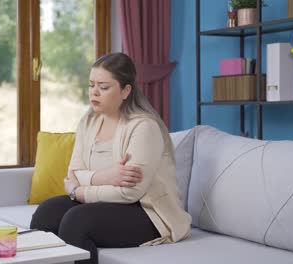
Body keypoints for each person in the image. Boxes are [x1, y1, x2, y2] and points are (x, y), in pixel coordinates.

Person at [30, 52, 191, 264]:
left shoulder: (144, 127)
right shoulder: (88, 121)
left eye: (104, 87)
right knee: (46, 212)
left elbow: (129, 192)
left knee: (77, 221)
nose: (94, 93)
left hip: (147, 213)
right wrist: (107, 176)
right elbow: (73, 173)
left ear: (125, 91)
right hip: (108, 203)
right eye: (91, 85)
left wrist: (80, 192)